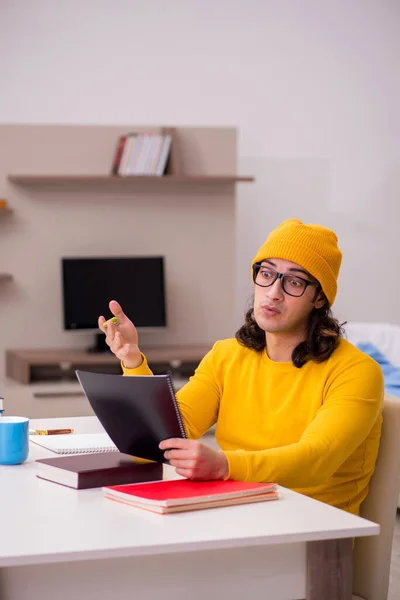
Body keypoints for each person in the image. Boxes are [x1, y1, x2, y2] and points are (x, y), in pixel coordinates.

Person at [98, 218, 383, 516]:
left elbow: (317, 459)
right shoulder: (228, 355)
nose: (274, 292)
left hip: (313, 534)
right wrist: (133, 361)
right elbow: (169, 432)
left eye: (295, 282)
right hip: (232, 510)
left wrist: (224, 465)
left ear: (320, 297)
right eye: (267, 274)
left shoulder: (356, 371)